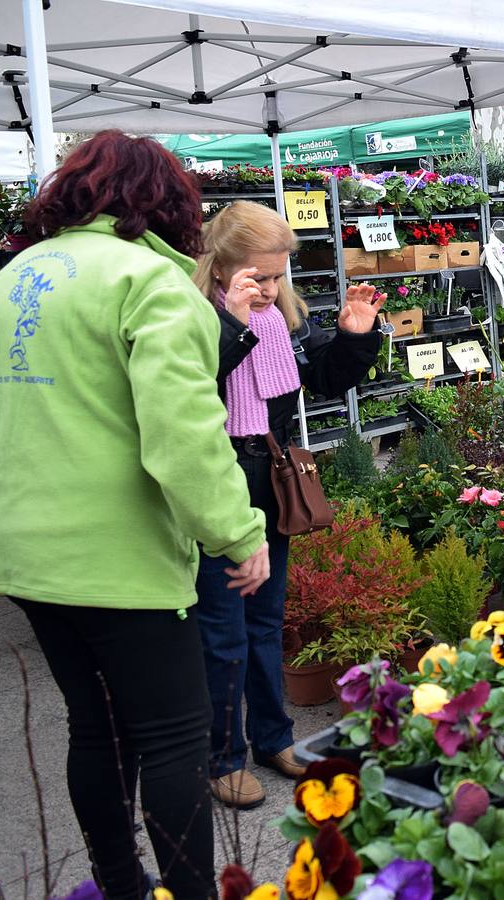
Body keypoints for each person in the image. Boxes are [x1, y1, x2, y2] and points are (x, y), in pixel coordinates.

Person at [0, 130, 269, 900]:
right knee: (172, 736)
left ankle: (119, 883)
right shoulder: (151, 281)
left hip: (22, 552)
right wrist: (238, 532)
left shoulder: (13, 278)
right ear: (169, 203)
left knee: (94, 728)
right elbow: (185, 435)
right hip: (119, 557)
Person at [193, 201, 382, 808]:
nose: (272, 289)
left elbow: (322, 378)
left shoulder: (284, 317)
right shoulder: (195, 317)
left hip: (267, 481)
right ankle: (222, 756)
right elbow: (192, 383)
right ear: (219, 268)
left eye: (279, 276)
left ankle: (273, 738)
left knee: (266, 621)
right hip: (217, 482)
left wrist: (355, 336)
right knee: (222, 629)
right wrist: (234, 320)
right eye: (260, 276)